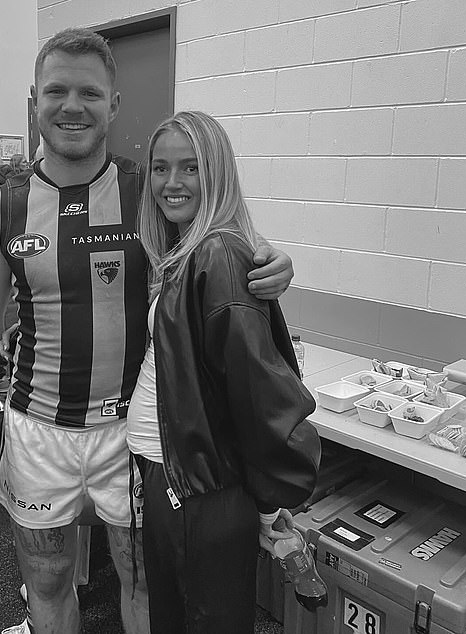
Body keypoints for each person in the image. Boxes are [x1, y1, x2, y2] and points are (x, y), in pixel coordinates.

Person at [0, 28, 295, 634]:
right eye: (57, 91)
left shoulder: (148, 195)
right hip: (35, 426)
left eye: (90, 94)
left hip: (132, 435)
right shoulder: (0, 208)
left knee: (142, 580)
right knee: (46, 579)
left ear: (114, 105)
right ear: (33, 100)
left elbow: (217, 243)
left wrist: (272, 260)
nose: (73, 106)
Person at [127, 110, 321, 633]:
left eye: (190, 168)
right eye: (161, 168)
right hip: (178, 478)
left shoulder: (218, 253)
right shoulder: (183, 247)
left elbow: (258, 391)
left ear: (216, 172)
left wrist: (269, 499)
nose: (172, 183)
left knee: (205, 620)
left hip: (203, 488)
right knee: (179, 614)